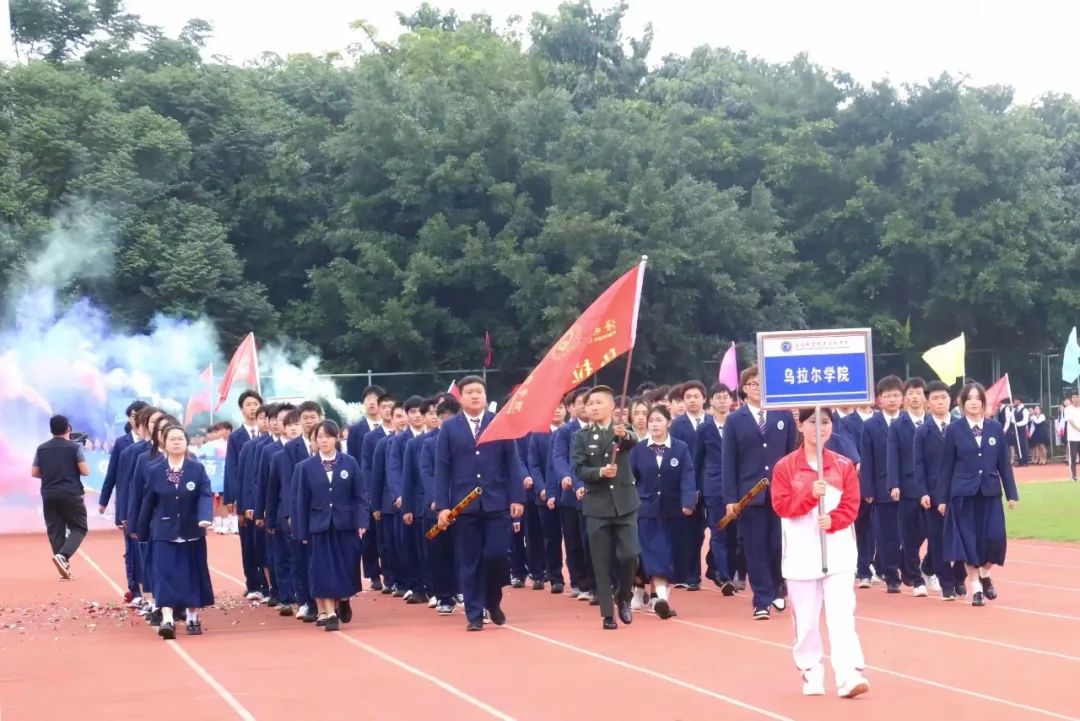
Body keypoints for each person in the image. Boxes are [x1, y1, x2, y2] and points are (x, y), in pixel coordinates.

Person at [771, 407, 869, 699]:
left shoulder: (843, 465)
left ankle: (848, 675)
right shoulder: (785, 467)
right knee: (806, 619)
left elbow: (852, 504)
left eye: (825, 422)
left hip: (838, 551)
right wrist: (809, 495)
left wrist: (835, 520)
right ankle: (811, 671)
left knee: (842, 616)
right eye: (812, 421)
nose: (819, 427)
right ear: (800, 426)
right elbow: (781, 506)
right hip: (801, 552)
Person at [435, 376, 527, 631]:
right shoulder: (450, 428)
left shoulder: (499, 423)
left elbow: (512, 463)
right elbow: (442, 468)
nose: (475, 396)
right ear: (461, 397)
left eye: (479, 392)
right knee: (470, 561)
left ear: (486, 396)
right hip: (464, 506)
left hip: (496, 501)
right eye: (470, 392)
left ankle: (492, 599)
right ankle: (474, 614)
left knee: (497, 555)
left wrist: (517, 497)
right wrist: (442, 505)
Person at [722, 366, 798, 620]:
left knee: (778, 544)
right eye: (753, 384)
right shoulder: (735, 420)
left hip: (781, 493)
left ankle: (778, 585)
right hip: (749, 494)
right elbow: (729, 461)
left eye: (761, 383)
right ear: (744, 389)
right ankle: (762, 599)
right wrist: (730, 498)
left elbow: (791, 456)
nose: (758, 388)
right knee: (755, 548)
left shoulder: (783, 415)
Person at [938, 382, 1019, 607]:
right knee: (969, 541)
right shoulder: (954, 430)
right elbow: (946, 466)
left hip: (990, 491)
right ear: (962, 403)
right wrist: (942, 499)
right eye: (969, 398)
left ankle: (985, 573)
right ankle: (976, 589)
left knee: (995, 538)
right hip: (963, 494)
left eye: (977, 398)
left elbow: (1004, 463)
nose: (974, 402)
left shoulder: (995, 428)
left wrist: (1011, 494)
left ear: (984, 402)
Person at [135, 425, 214, 640]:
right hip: (163, 531)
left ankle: (192, 617)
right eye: (172, 439)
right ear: (164, 443)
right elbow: (148, 501)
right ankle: (168, 618)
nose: (176, 442)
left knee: (191, 574)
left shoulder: (196, 469)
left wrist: (204, 517)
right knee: (164, 573)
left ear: (187, 442)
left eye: (180, 438)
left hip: (191, 530)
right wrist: (141, 529)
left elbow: (205, 494)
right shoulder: (154, 470)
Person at [572, 385, 640, 630]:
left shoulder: (621, 431)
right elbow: (579, 469)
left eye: (599, 402)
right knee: (600, 562)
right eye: (590, 404)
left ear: (612, 406)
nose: (594, 407)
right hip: (597, 506)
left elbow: (632, 441)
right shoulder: (581, 436)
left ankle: (624, 595)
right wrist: (600, 472)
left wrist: (625, 434)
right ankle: (607, 614)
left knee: (629, 555)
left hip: (624, 503)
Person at [294, 421, 367, 631]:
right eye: (320, 437)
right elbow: (301, 501)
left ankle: (343, 598)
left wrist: (362, 521)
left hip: (346, 524)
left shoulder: (350, 463)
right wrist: (301, 531)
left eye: (328, 436)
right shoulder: (306, 467)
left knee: (347, 566)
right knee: (323, 569)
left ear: (336, 438)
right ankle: (330, 613)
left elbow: (360, 496)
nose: (324, 440)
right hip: (319, 526)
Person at [628, 405, 695, 619]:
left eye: (659, 420)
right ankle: (661, 599)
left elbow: (687, 476)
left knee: (672, 554)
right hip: (646, 511)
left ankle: (657, 595)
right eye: (651, 421)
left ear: (669, 423)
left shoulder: (680, 448)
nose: (654, 424)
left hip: (673, 510)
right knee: (657, 553)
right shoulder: (639, 449)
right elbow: (630, 479)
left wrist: (688, 502)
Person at [915, 381, 966, 600]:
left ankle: (959, 575)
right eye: (935, 398)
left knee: (964, 536)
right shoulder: (923, 431)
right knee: (938, 540)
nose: (940, 402)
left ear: (950, 400)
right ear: (928, 403)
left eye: (943, 397)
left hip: (961, 491)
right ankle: (946, 584)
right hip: (934, 494)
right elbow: (918, 465)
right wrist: (923, 492)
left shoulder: (962, 426)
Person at [32, 415, 91, 580]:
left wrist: (51, 475)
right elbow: (85, 471)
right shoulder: (74, 448)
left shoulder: (41, 448)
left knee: (55, 530)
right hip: (70, 492)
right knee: (79, 527)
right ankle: (63, 556)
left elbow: (34, 472)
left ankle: (63, 567)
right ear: (68, 429)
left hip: (49, 493)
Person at [859, 376, 904, 594]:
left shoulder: (909, 422)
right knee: (887, 535)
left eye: (896, 395)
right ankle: (891, 576)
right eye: (888, 396)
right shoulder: (870, 425)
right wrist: (867, 489)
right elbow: (867, 459)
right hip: (882, 487)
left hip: (909, 488)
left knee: (910, 533)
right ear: (879, 399)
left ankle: (907, 567)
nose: (892, 400)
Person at [886, 377, 930, 596]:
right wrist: (894, 484)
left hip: (932, 486)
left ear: (925, 397)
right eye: (911, 393)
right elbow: (892, 456)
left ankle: (924, 566)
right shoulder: (897, 425)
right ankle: (917, 579)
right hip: (907, 486)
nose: (915, 397)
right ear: (905, 398)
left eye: (919, 393)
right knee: (911, 534)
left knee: (932, 532)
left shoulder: (932, 422)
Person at [1065, 392, 1080, 482]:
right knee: (1073, 457)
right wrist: (1078, 429)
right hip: (1072, 438)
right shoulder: (1068, 409)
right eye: (1073, 397)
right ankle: (1074, 476)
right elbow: (1070, 421)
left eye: (1077, 397)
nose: (1075, 399)